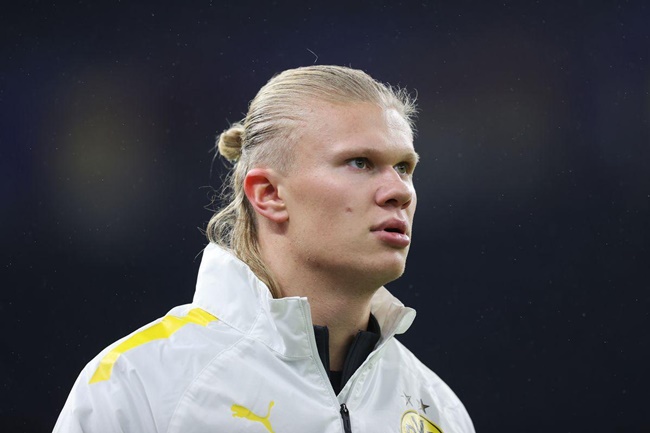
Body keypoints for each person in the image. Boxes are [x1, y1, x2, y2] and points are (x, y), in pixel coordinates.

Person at [54, 65, 474, 433]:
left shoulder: (439, 409)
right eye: (360, 162)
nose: (400, 191)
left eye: (404, 167)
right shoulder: (139, 384)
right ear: (269, 194)